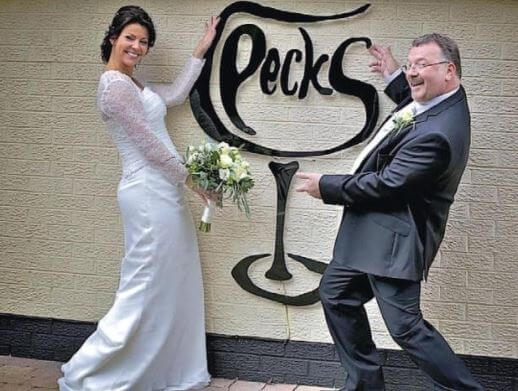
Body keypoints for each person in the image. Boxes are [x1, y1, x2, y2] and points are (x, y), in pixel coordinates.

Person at [296, 33, 484, 390]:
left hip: (394, 240)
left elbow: (387, 185)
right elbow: (411, 106)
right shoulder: (441, 100)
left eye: (421, 65)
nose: (413, 73)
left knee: (406, 328)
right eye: (411, 64)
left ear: (450, 70)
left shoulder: (439, 135)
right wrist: (396, 75)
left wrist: (327, 187)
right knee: (335, 294)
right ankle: (366, 384)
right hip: (369, 232)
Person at [58, 6, 220, 391]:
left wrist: (201, 49)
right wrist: (193, 181)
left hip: (164, 190)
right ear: (113, 37)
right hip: (147, 193)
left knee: (171, 279)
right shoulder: (113, 86)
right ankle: (93, 369)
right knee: (144, 282)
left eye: (144, 42)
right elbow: (148, 146)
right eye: (130, 37)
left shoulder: (135, 85)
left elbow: (177, 94)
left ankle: (162, 370)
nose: (137, 46)